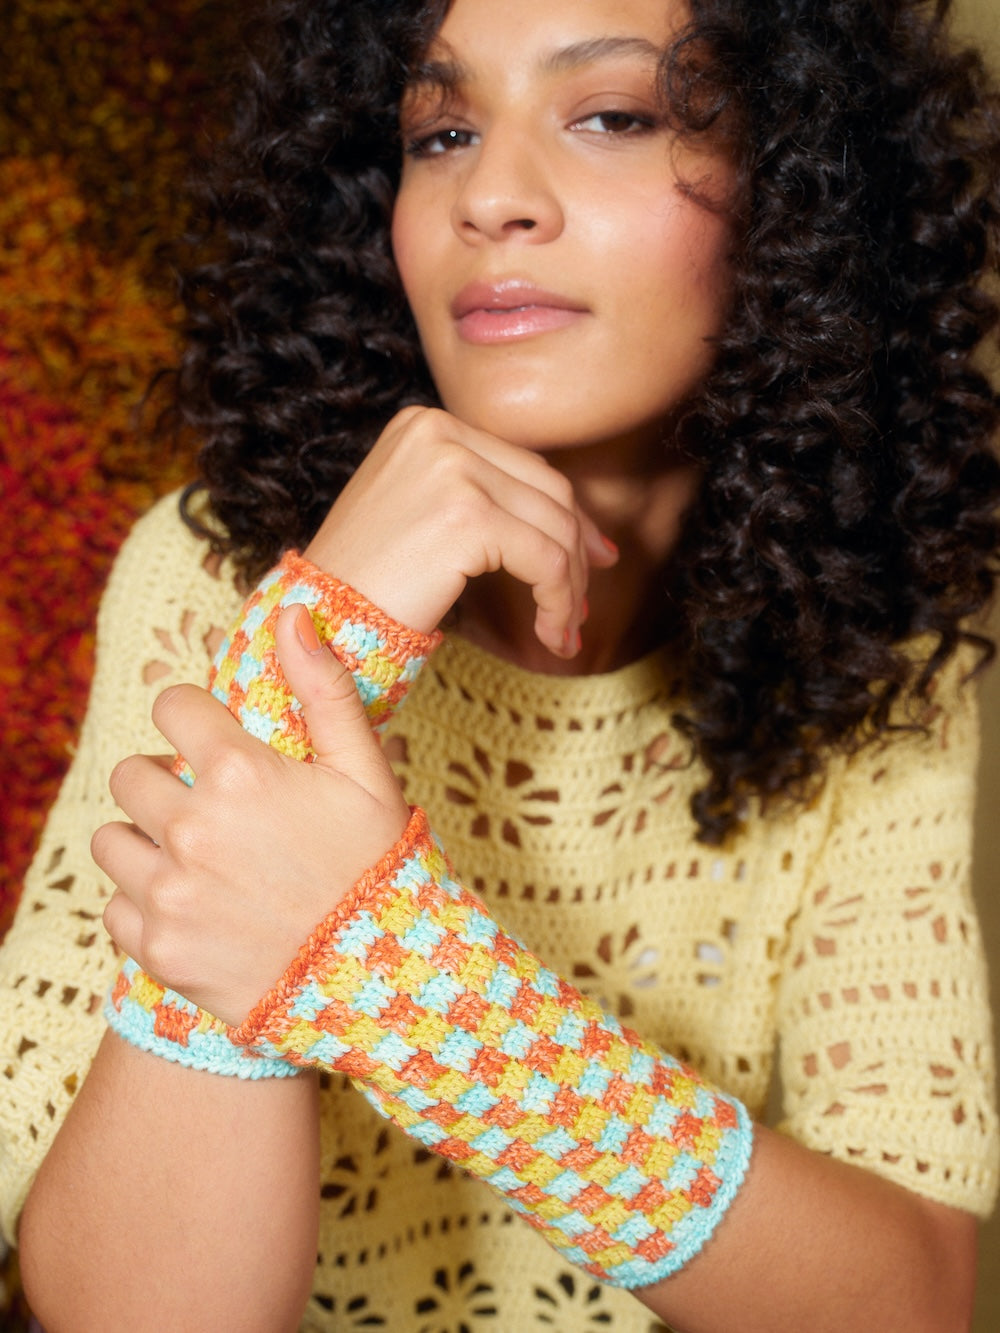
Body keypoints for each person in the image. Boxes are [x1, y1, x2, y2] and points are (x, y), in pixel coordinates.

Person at [4, 0, 1000, 1326]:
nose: (490, 197)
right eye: (442, 132)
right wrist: (318, 646)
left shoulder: (880, 656)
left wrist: (394, 973)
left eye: (613, 116)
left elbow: (912, 1295)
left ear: (801, 196)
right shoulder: (214, 575)